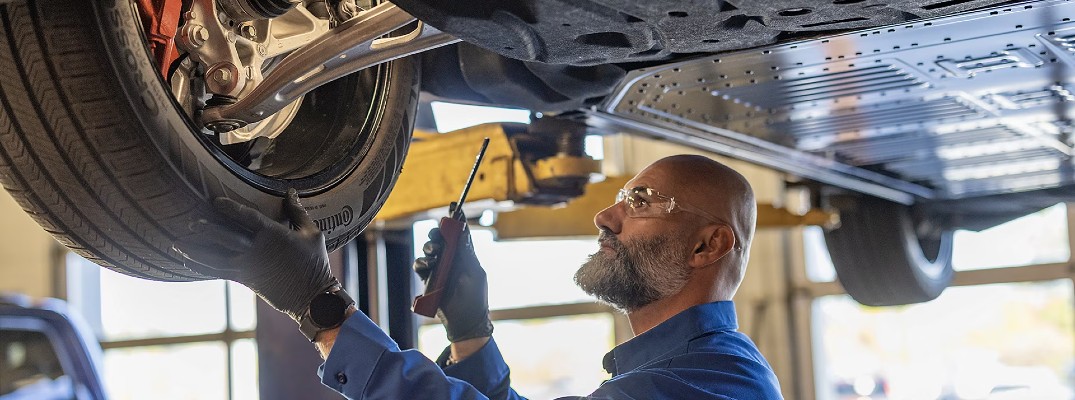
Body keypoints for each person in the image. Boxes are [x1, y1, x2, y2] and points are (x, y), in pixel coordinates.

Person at [174, 154, 783, 399]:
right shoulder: (687, 370)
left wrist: (320, 308)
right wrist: (470, 333)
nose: (605, 216)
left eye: (642, 201)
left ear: (709, 245)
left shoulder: (718, 386)